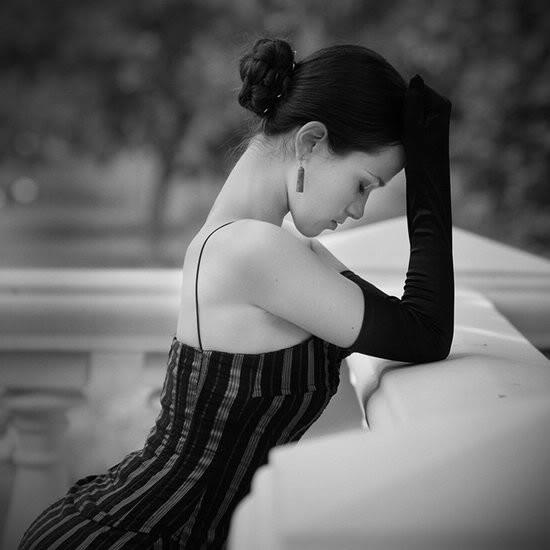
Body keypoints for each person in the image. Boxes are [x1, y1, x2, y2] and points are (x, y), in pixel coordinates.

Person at [18, 37, 454, 549]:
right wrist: (430, 165)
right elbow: (426, 332)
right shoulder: (253, 251)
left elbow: (414, 324)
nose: (358, 209)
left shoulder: (262, 247)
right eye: (364, 184)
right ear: (312, 142)